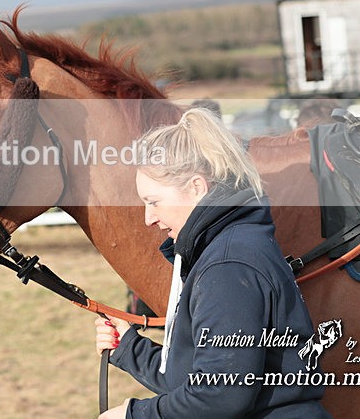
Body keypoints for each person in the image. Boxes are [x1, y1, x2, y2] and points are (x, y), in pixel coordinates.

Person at [94, 108, 329, 418]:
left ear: (196, 188)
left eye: (153, 201)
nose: (148, 218)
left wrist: (133, 415)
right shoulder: (224, 251)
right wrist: (128, 347)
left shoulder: (228, 266)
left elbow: (221, 394)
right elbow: (191, 378)